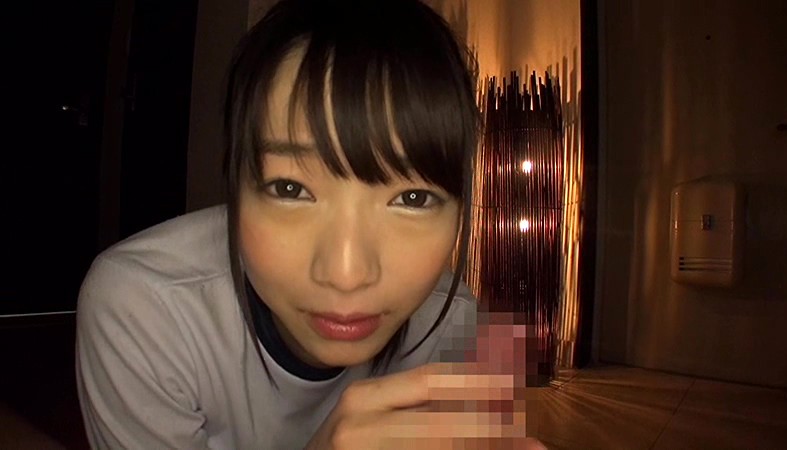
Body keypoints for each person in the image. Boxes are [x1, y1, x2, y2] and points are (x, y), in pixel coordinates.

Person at [76, 0, 543, 448]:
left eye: (412, 198)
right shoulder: (145, 309)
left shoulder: (451, 327)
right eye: (290, 188)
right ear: (235, 186)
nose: (346, 274)